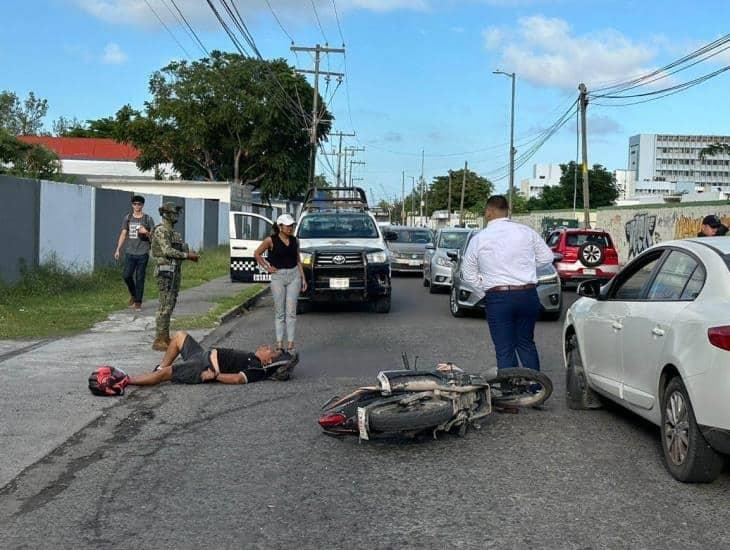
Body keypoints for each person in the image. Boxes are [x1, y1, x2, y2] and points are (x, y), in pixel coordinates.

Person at [462, 195, 554, 372]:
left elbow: (468, 273)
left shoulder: (480, 238)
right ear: (507, 211)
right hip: (527, 295)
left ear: (489, 212)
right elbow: (547, 257)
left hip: (498, 297)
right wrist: (526, 268)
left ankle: (510, 392)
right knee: (526, 343)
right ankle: (535, 389)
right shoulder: (526, 232)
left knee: (504, 348)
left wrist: (485, 289)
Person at [129, 331, 299, 386]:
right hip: (201, 354)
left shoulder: (258, 369)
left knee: (165, 374)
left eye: (270, 350)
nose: (265, 346)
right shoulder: (254, 359)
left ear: (268, 361)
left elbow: (238, 379)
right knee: (180, 336)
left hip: (203, 366)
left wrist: (215, 376)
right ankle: (156, 371)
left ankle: (126, 381)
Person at [253, 213, 307, 353]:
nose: (290, 228)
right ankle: (279, 343)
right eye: (287, 226)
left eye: (291, 226)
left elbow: (298, 260)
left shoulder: (295, 241)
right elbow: (257, 253)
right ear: (280, 226)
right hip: (278, 276)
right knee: (279, 312)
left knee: (291, 311)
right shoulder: (270, 240)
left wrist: (303, 278)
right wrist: (267, 267)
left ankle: (290, 344)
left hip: (294, 275)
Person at [150, 202, 199, 351]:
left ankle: (165, 337)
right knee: (164, 305)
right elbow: (167, 251)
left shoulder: (174, 233)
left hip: (174, 272)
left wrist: (187, 251)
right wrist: (187, 256)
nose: (176, 216)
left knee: (170, 304)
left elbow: (180, 247)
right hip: (165, 271)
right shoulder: (161, 231)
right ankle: (159, 339)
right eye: (174, 213)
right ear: (166, 214)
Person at [114, 195, 155, 310]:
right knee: (126, 275)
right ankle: (133, 294)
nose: (137, 206)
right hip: (130, 252)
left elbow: (154, 236)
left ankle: (138, 302)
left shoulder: (148, 219)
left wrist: (146, 232)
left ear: (142, 205)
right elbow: (123, 233)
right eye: (135, 204)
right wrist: (118, 249)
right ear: (132, 205)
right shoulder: (127, 218)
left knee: (140, 278)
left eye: (139, 204)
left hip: (143, 252)